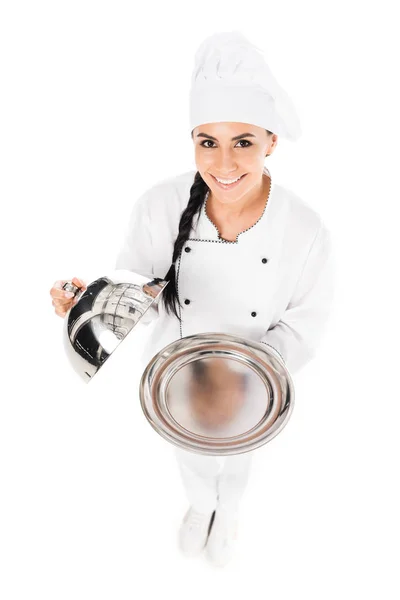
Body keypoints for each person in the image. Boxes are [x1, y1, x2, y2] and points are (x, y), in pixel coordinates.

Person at [50, 31, 335, 568]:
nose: (223, 164)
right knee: (190, 456)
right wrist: (90, 302)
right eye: (208, 142)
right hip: (178, 372)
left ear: (271, 141)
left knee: (244, 455)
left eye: (243, 142)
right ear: (193, 141)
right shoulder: (158, 206)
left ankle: (229, 510)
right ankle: (202, 504)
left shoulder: (305, 228)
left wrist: (250, 372)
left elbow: (307, 323)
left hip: (259, 378)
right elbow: (141, 293)